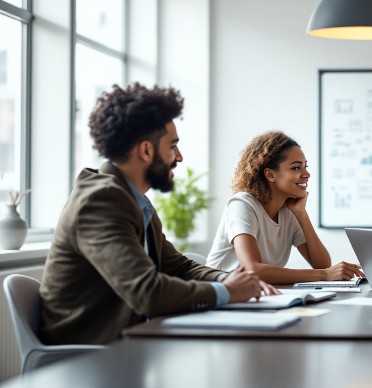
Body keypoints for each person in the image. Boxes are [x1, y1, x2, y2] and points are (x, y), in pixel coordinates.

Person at [40, 83, 277, 345]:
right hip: (87, 358)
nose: (180, 157)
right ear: (146, 150)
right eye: (172, 146)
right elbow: (147, 292)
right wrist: (226, 291)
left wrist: (228, 277)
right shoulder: (101, 200)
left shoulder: (132, 199)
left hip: (130, 344)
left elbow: (178, 266)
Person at [206, 130, 364, 284]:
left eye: (305, 166)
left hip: (260, 295)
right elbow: (253, 270)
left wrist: (301, 214)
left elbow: (322, 265)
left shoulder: (289, 211)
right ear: (270, 175)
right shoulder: (242, 204)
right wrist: (323, 274)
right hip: (223, 295)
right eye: (296, 167)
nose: (306, 174)